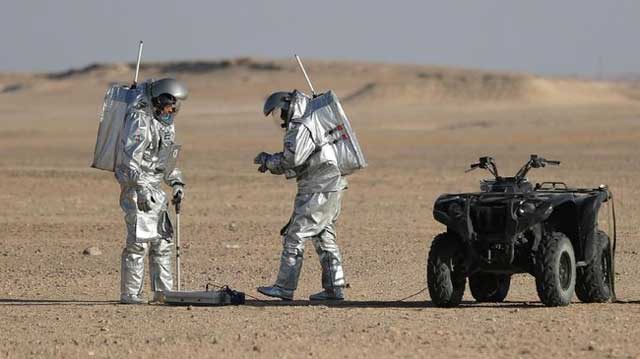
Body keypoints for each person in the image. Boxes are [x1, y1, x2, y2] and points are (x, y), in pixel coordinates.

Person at [255, 90, 348, 301]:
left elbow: (293, 159)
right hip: (330, 185)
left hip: (318, 187)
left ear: (288, 106)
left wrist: (269, 161)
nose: (279, 117)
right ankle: (335, 288)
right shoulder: (313, 119)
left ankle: (284, 287)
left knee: (295, 235)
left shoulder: (301, 125)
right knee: (324, 236)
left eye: (279, 112)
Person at [115, 78, 188, 304]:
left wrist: (176, 183)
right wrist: (141, 190)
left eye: (174, 108)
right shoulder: (140, 121)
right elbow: (129, 162)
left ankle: (163, 292)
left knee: (162, 243)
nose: (171, 111)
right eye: (168, 106)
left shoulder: (166, 125)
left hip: (156, 191)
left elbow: (166, 161)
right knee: (138, 243)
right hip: (138, 189)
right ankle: (130, 294)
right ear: (158, 102)